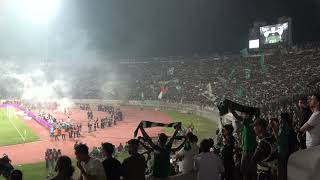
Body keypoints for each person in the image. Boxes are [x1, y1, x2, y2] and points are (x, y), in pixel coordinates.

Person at [230, 109, 257, 180]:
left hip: (248, 151)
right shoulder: (250, 123)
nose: (243, 115)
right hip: (249, 150)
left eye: (244, 114)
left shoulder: (248, 122)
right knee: (251, 172)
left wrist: (232, 111)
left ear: (248, 115)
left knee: (245, 171)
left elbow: (238, 117)